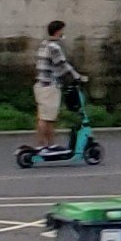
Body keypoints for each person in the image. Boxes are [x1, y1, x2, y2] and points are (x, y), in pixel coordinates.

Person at [34, 21, 86, 150]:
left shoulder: (44, 44)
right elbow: (63, 64)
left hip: (40, 85)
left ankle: (45, 145)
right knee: (48, 118)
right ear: (58, 31)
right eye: (63, 30)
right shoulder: (54, 47)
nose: (64, 33)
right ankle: (47, 146)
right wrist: (77, 77)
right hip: (49, 86)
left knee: (44, 116)